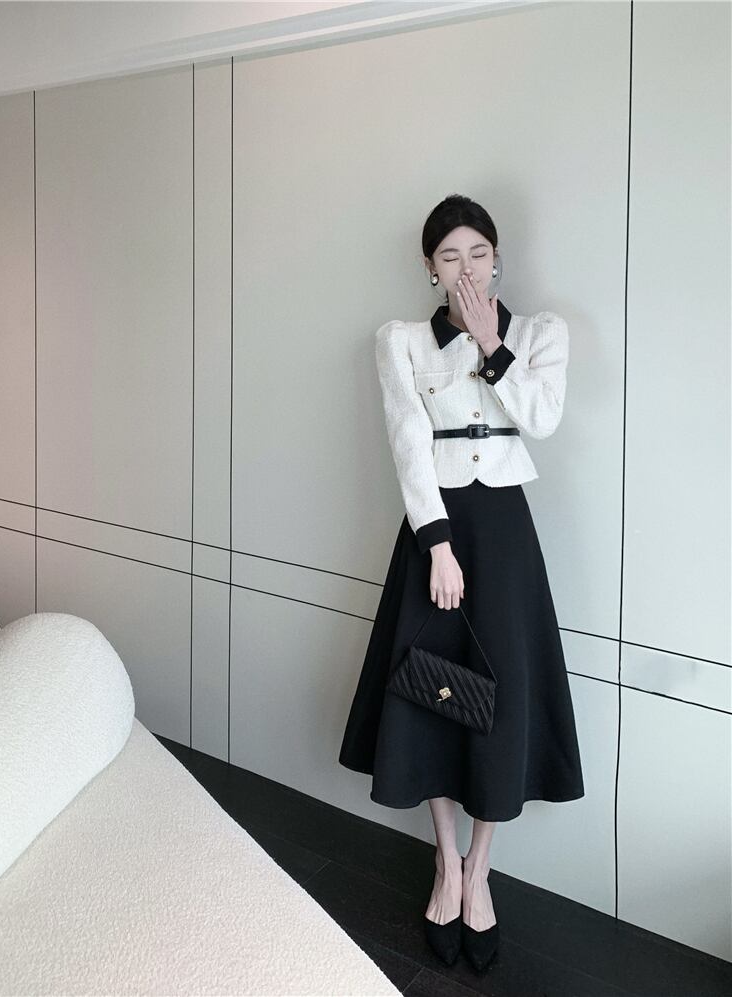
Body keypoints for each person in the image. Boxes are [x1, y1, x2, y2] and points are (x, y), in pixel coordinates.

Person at [337, 194, 585, 974]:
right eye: (450, 256)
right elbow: (409, 444)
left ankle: (481, 871)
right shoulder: (401, 341)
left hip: (504, 534)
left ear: (497, 259)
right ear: (430, 268)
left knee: (497, 696)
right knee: (429, 691)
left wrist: (492, 345)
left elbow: (541, 419)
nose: (467, 268)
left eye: (479, 253)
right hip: (436, 531)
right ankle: (446, 862)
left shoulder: (541, 333)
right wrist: (437, 545)